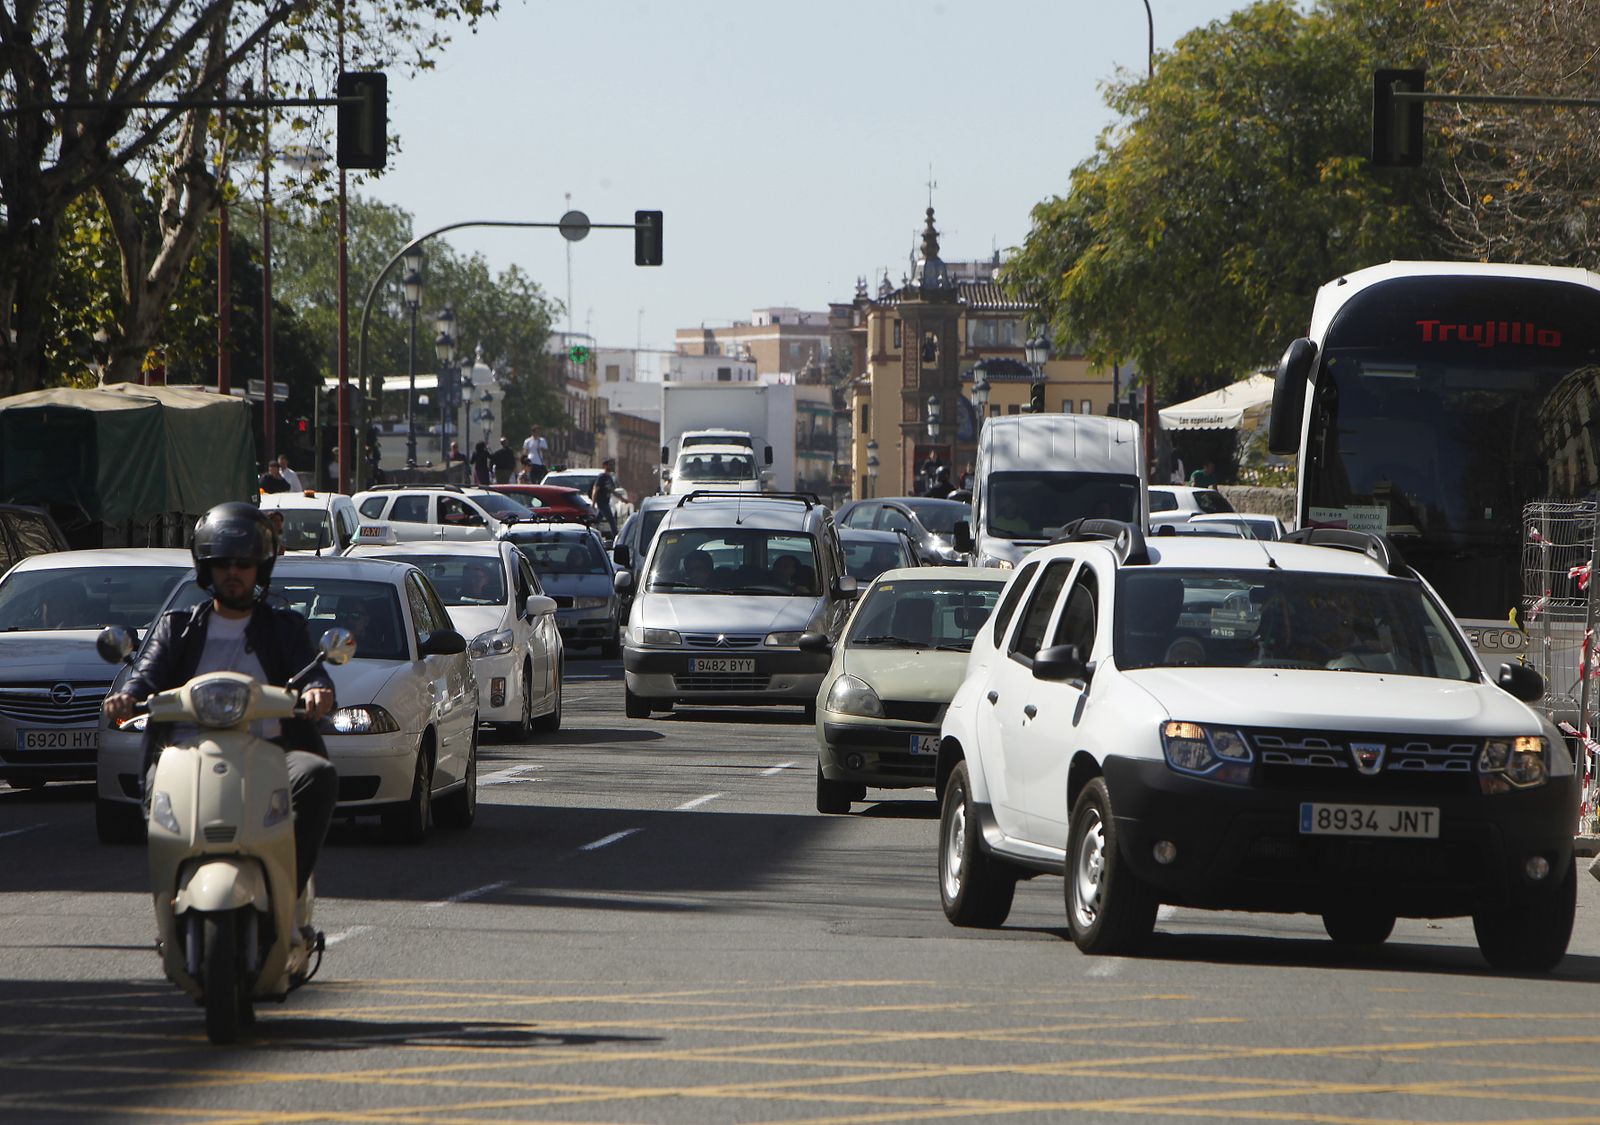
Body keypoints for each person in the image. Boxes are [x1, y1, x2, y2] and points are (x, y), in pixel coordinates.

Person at [102, 503, 337, 905]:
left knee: (318, 774)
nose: (233, 572)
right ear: (205, 568)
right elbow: (146, 675)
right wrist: (125, 697)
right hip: (184, 753)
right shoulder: (177, 628)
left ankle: (289, 889)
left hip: (270, 755)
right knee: (159, 813)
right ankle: (168, 894)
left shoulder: (285, 627)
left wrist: (318, 690)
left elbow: (311, 672)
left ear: (260, 567)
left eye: (244, 563)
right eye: (223, 562)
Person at [591, 458, 618, 536]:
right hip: (602, 502)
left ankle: (590, 530)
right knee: (612, 520)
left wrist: (623, 499)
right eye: (610, 465)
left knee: (597, 520)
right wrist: (593, 503)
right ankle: (616, 538)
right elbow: (595, 489)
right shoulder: (601, 477)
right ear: (605, 466)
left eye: (612, 465)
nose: (612, 466)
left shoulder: (609, 477)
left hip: (606, 501)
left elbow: (612, 490)